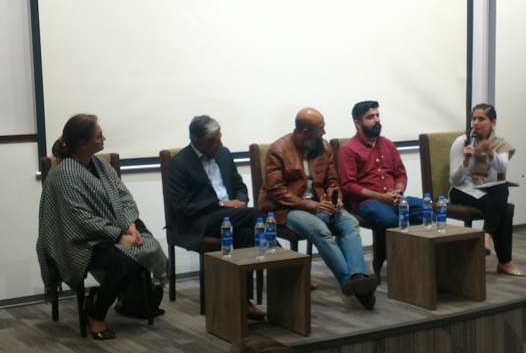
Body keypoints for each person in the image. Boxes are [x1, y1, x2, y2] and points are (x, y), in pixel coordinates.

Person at [37, 114, 169, 340]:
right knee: (123, 261)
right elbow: (79, 219)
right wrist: (118, 236)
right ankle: (96, 313)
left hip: (115, 227)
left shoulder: (99, 164)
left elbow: (123, 195)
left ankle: (105, 296)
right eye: (99, 136)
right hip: (79, 239)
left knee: (147, 247)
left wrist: (130, 225)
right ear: (83, 143)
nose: (104, 138)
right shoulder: (63, 174)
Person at [258, 107, 378, 310]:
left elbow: (332, 180)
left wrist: (336, 198)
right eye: (320, 129)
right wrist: (313, 205)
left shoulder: (323, 147)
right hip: (287, 208)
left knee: (350, 222)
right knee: (320, 230)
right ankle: (350, 282)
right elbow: (276, 191)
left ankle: (358, 276)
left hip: (321, 204)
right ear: (305, 132)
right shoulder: (277, 150)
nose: (324, 133)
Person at [166, 115, 266, 319]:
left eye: (220, 138)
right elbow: (183, 208)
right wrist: (221, 204)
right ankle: (281, 264)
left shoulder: (224, 153)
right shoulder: (179, 164)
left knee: (247, 233)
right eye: (214, 141)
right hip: (201, 220)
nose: (219, 144)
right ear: (197, 142)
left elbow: (240, 186)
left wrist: (241, 201)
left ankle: (241, 300)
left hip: (233, 216)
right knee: (255, 214)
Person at [449, 103, 525, 276]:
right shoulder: (462, 142)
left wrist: (490, 153)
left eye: (481, 119)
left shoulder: (500, 144)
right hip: (462, 189)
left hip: (487, 189)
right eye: (474, 118)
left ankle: (487, 237)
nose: (476, 123)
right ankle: (505, 261)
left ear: (493, 122)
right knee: (502, 207)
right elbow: (454, 179)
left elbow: (501, 167)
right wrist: (465, 162)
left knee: (501, 193)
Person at [338, 101, 423, 251]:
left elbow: (400, 173)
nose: (376, 120)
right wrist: (381, 197)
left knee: (425, 209)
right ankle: (392, 261)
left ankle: (420, 257)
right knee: (390, 220)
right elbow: (349, 186)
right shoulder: (348, 150)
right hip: (367, 202)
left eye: (377, 115)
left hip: (394, 199)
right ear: (358, 123)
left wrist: (398, 192)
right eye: (370, 117)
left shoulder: (387, 144)